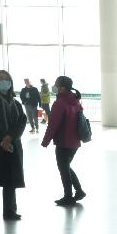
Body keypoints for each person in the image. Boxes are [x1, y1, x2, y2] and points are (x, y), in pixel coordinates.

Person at [41, 76, 85, 206]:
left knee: (64, 169)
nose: (54, 86)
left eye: (56, 84)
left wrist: (45, 141)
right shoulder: (75, 101)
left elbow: (53, 124)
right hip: (75, 141)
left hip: (63, 142)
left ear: (62, 87)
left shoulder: (60, 103)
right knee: (66, 167)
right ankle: (79, 191)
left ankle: (68, 196)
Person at [0, 70, 26, 220]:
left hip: (12, 146)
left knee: (10, 178)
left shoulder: (16, 103)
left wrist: (10, 137)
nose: (3, 81)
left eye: (6, 78)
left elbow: (21, 122)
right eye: (0, 78)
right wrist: (2, 139)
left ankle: (10, 211)